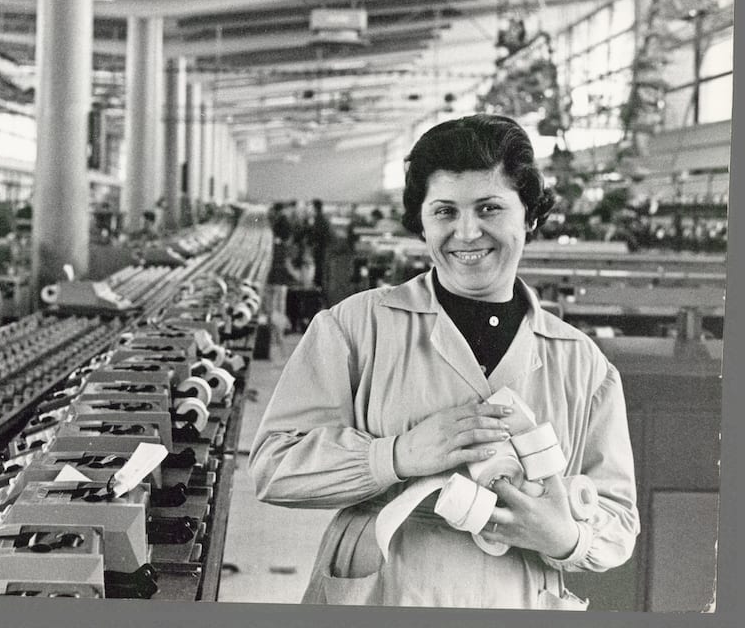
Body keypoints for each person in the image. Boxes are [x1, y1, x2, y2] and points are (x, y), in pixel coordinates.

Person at [248, 114, 639, 609]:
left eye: (490, 208)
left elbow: (618, 519)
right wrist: (396, 455)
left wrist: (565, 536)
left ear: (529, 216)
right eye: (445, 212)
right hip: (384, 592)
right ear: (422, 223)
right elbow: (274, 465)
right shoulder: (354, 327)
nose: (467, 232)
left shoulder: (583, 365)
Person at [307, 199, 333, 289]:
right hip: (321, 246)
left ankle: (318, 285)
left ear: (315, 208)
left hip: (319, 246)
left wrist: (312, 242)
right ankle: (318, 285)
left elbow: (317, 234)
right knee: (319, 265)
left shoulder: (319, 219)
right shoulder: (321, 218)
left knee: (319, 265)